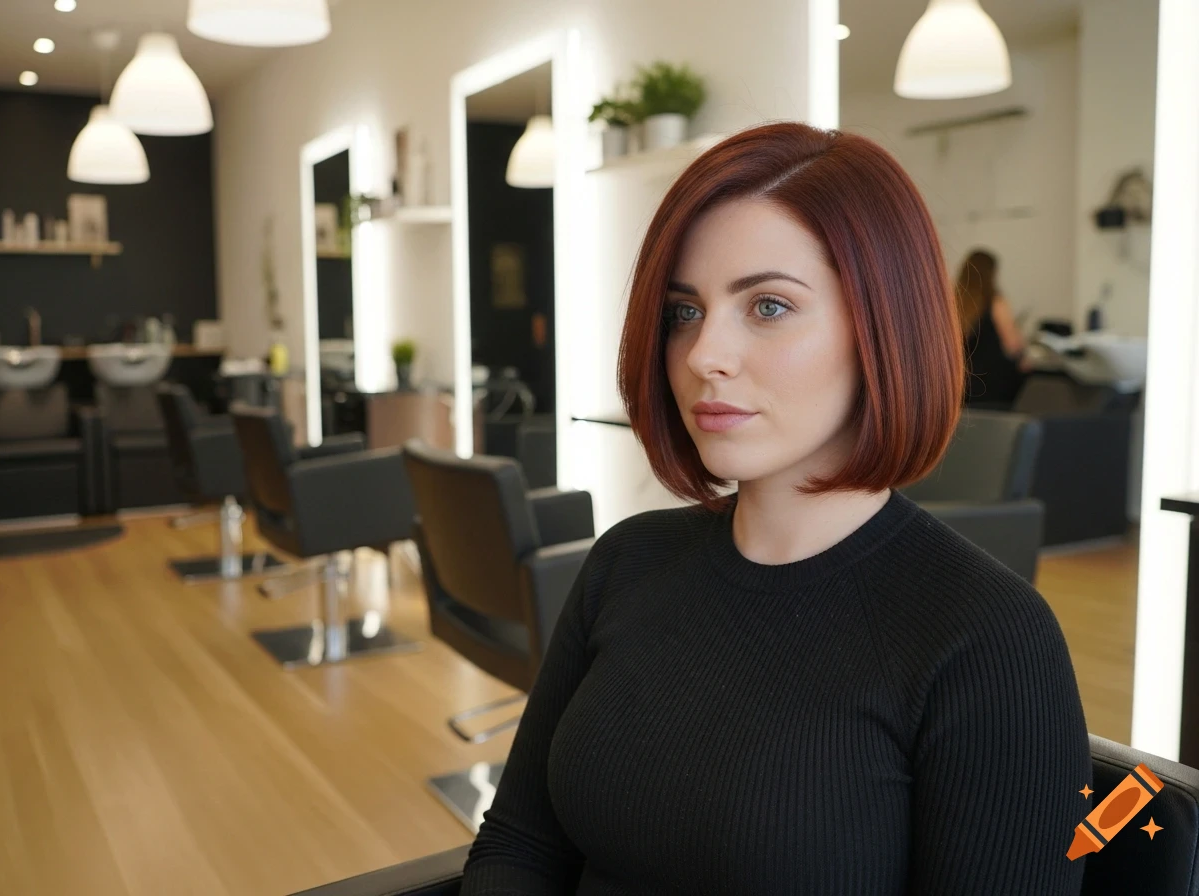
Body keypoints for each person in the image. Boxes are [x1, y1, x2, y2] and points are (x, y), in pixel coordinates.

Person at [460, 123, 1090, 895]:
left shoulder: (987, 640)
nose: (702, 356)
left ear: (883, 330)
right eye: (684, 312)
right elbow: (520, 846)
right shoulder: (626, 562)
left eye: (767, 306)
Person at [957, 248, 1030, 405]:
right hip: (993, 384)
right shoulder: (996, 303)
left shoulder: (954, 302)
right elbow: (1013, 346)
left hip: (962, 384)